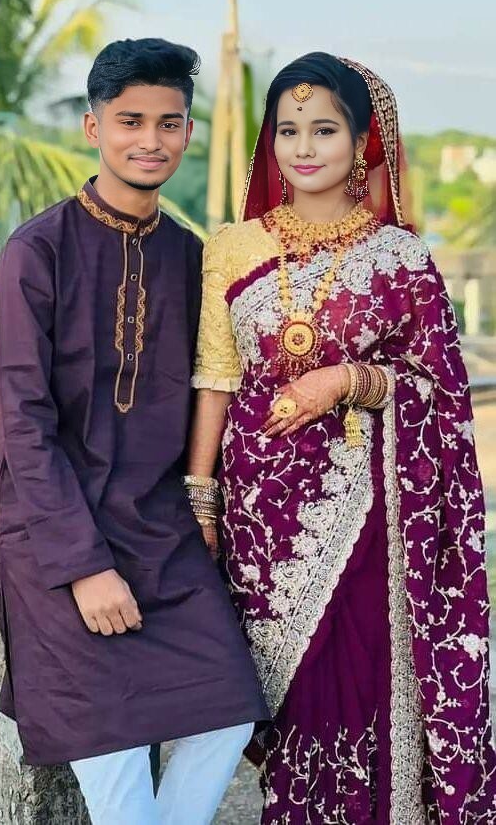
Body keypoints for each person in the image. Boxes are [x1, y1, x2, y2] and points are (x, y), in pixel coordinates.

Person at [187, 52, 496, 822]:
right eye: (287, 128)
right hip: (259, 520)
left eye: (323, 129)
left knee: (361, 688)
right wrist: (200, 496)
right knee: (284, 708)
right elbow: (214, 378)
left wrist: (348, 380)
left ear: (360, 142)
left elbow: (439, 390)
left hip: (368, 515)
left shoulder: (400, 258)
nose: (303, 146)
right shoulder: (231, 246)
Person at [0, 37, 268, 825]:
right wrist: (82, 566)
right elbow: (23, 421)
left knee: (226, 709)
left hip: (160, 530)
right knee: (111, 758)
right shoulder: (36, 251)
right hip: (52, 538)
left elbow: (220, 388)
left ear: (188, 131)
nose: (151, 140)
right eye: (130, 121)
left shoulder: (191, 258)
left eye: (169, 122)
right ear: (93, 127)